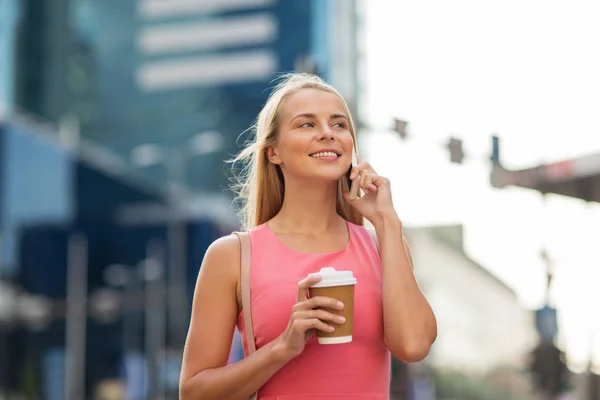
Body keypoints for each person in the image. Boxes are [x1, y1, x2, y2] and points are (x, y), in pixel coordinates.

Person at [179, 73, 437, 399]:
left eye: (339, 125)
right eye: (307, 124)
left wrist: (387, 221)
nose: (327, 133)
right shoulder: (232, 255)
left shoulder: (382, 243)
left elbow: (413, 346)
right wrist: (284, 347)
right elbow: (193, 393)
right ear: (274, 152)